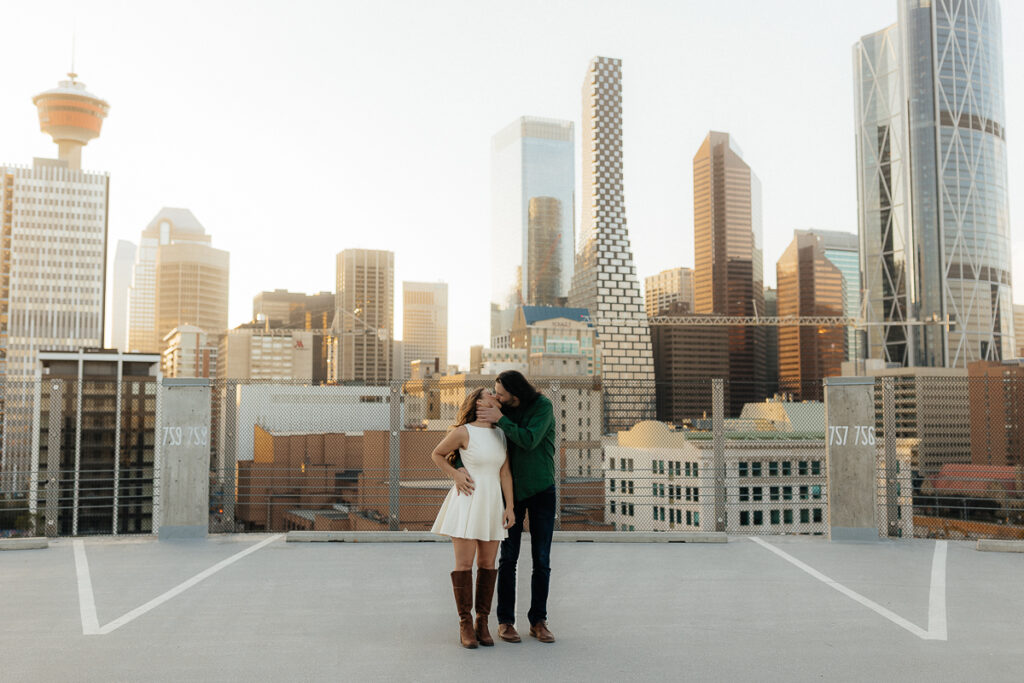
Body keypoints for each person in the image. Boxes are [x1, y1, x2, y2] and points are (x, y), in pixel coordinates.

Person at [466, 370, 557, 644]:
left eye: (502, 395)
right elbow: (468, 439)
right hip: (509, 495)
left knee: (541, 560)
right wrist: (458, 468)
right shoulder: (500, 410)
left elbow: (529, 440)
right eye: (496, 394)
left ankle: (538, 621)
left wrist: (501, 420)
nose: (498, 398)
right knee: (508, 559)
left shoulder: (542, 407)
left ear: (517, 395)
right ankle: (505, 621)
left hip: (541, 490)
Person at [430, 387, 515, 649]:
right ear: (479, 402)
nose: (496, 395)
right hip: (467, 502)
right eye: (491, 392)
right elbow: (437, 454)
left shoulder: (502, 433)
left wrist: (509, 507)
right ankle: (465, 623)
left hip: (492, 504)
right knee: (464, 564)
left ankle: (482, 622)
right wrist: (455, 474)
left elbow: (505, 474)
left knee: (488, 564)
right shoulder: (463, 432)